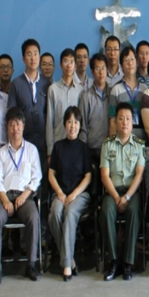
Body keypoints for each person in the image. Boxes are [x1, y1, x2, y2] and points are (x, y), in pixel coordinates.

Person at [0, 106, 43, 285]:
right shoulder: (1, 153)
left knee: (33, 217)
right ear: (7, 127)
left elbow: (37, 177)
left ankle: (31, 264)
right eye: (11, 124)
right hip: (4, 197)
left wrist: (25, 195)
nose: (15, 128)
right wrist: (5, 200)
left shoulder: (32, 150)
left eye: (18, 124)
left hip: (24, 197)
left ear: (23, 126)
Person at [100, 102, 146, 281]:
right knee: (106, 211)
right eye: (121, 119)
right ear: (115, 122)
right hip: (112, 191)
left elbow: (139, 175)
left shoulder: (139, 145)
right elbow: (104, 175)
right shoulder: (107, 144)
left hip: (131, 192)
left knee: (134, 211)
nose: (124, 122)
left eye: (128, 119)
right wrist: (116, 197)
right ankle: (113, 261)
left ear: (133, 122)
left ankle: (128, 262)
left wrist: (126, 197)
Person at [48, 106, 92, 281]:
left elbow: (88, 176)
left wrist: (73, 194)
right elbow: (51, 174)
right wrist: (59, 192)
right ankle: (70, 259)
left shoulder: (84, 148)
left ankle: (66, 265)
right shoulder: (58, 147)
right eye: (69, 122)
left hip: (79, 195)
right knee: (55, 213)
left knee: (70, 212)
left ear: (80, 125)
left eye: (76, 122)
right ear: (64, 124)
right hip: (61, 193)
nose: (73, 126)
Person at [8, 38, 51, 177]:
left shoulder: (47, 83)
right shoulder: (16, 84)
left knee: (42, 178)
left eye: (36, 53)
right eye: (29, 54)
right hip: (23, 141)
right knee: (24, 177)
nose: (33, 58)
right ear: (23, 58)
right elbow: (11, 115)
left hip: (43, 141)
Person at [46, 48, 83, 157]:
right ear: (60, 65)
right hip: (58, 144)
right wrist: (50, 150)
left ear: (75, 66)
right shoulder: (53, 89)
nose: (69, 65)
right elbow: (49, 121)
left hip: (76, 146)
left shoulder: (81, 90)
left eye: (72, 62)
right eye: (66, 61)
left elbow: (81, 120)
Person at [108, 46, 147, 140]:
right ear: (121, 67)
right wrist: (113, 144)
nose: (130, 63)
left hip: (142, 141)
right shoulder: (116, 90)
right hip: (122, 142)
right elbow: (113, 121)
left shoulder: (144, 89)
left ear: (137, 63)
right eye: (126, 60)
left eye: (132, 59)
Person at [78, 53, 110, 162]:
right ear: (92, 72)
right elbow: (83, 127)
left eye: (103, 68)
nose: (101, 72)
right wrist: (83, 151)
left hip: (110, 149)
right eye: (97, 69)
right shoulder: (86, 96)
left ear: (107, 70)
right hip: (92, 150)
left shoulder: (113, 93)